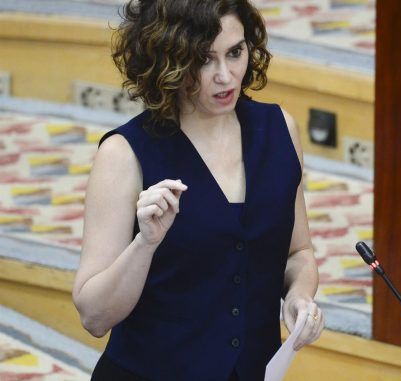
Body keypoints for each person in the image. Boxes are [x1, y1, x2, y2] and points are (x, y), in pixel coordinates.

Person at [72, 0, 324, 379]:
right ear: (167, 61)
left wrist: (299, 295)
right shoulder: (123, 155)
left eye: (235, 53)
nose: (226, 76)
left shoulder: (279, 130)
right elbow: (93, 316)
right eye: (205, 60)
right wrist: (145, 244)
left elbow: (298, 252)